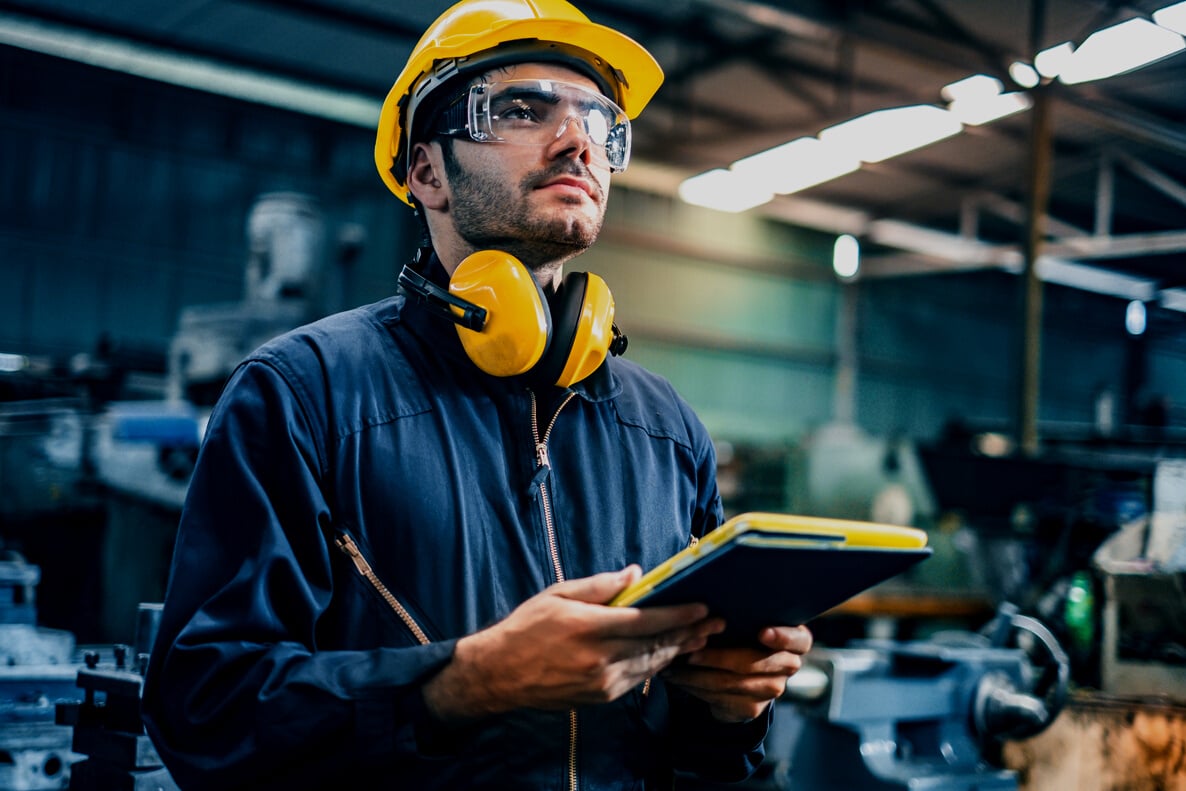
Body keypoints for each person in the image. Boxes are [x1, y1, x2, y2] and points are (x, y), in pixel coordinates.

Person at [141, 0, 813, 788]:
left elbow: (701, 762)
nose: (577, 142)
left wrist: (733, 708)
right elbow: (205, 712)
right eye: (523, 109)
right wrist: (468, 682)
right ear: (426, 171)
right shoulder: (303, 394)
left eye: (599, 122)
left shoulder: (665, 428)